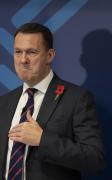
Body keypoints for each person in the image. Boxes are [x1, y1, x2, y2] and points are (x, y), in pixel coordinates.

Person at [0, 23, 105, 180]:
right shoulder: (4, 102)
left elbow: (94, 159)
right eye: (18, 52)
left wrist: (42, 140)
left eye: (31, 52)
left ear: (50, 55)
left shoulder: (76, 98)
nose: (23, 60)